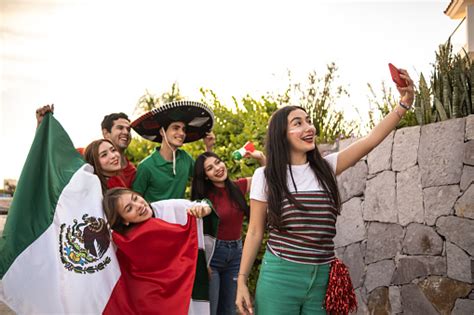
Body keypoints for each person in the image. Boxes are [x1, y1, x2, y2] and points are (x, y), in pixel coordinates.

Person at [235, 69, 415, 315]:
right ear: (280, 135)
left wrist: (404, 103)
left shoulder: (327, 168)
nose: (309, 127)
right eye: (298, 123)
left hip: (322, 278)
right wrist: (242, 280)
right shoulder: (265, 177)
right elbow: (255, 231)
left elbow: (371, 140)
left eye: (308, 120)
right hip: (279, 277)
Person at [101, 187, 216, 315]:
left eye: (135, 198)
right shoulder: (125, 243)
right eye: (129, 209)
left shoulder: (169, 207)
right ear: (124, 221)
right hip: (161, 299)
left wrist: (204, 209)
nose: (138, 205)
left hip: (191, 284)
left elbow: (203, 205)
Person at [191, 150, 266, 315]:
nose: (217, 168)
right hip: (213, 256)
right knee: (211, 309)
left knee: (229, 309)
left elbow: (268, 179)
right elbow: (196, 231)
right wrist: (203, 262)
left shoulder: (238, 187)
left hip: (236, 254)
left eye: (217, 162)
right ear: (205, 176)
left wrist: (261, 159)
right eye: (210, 168)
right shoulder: (204, 198)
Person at [131, 100, 214, 202]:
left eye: (183, 129)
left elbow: (204, 175)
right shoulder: (146, 166)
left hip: (179, 216)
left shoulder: (185, 158)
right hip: (154, 217)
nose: (182, 133)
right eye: (176, 128)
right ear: (162, 132)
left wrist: (209, 147)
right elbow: (135, 199)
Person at [35, 104, 136, 188]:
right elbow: (49, 159)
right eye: (120, 128)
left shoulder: (133, 171)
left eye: (128, 129)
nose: (126, 132)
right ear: (106, 133)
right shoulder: (81, 155)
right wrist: (42, 126)